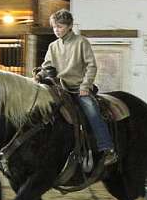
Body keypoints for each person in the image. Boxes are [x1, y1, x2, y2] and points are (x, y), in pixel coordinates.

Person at [40, 9, 117, 166]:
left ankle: (107, 149)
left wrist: (85, 85)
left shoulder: (81, 42)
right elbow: (46, 67)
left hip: (79, 88)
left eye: (60, 26)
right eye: (54, 27)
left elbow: (91, 66)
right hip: (60, 88)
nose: (56, 30)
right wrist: (40, 74)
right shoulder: (53, 46)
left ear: (69, 26)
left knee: (92, 111)